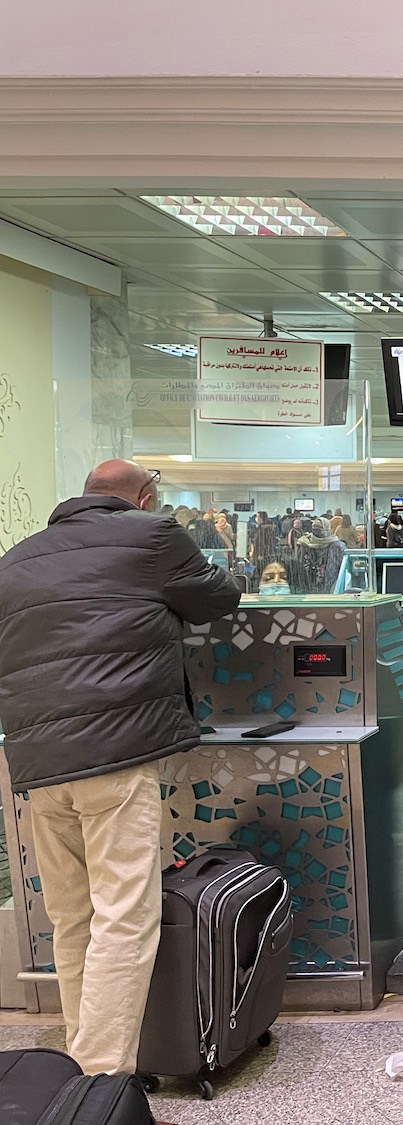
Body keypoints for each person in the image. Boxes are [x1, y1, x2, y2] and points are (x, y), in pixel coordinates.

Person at [0, 459, 240, 1075]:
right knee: (125, 918)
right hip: (114, 750)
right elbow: (218, 598)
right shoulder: (154, 535)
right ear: (146, 496)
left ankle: (81, 1070)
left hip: (34, 760)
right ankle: (104, 1082)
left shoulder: (17, 558)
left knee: (71, 917)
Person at [295, 518, 346, 593]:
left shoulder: (337, 545)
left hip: (331, 583)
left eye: (319, 529)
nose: (315, 531)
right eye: (314, 528)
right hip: (309, 582)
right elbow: (299, 563)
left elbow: (342, 567)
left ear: (326, 528)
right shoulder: (305, 542)